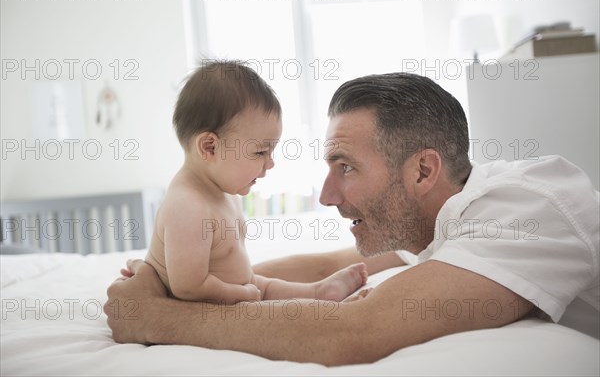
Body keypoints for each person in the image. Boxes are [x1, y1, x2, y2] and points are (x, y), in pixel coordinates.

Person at [105, 72, 599, 366]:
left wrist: (154, 317)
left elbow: (352, 332)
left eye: (346, 168)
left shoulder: (522, 212)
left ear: (422, 170)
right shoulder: (445, 217)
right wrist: (191, 274)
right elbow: (328, 264)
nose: (325, 195)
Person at [142, 60, 368, 306]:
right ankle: (314, 293)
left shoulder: (222, 193)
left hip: (239, 286)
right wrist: (238, 294)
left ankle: (317, 291)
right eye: (260, 152)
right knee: (260, 289)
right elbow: (188, 287)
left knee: (264, 285)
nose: (270, 163)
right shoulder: (187, 206)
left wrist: (246, 287)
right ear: (210, 147)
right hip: (203, 301)